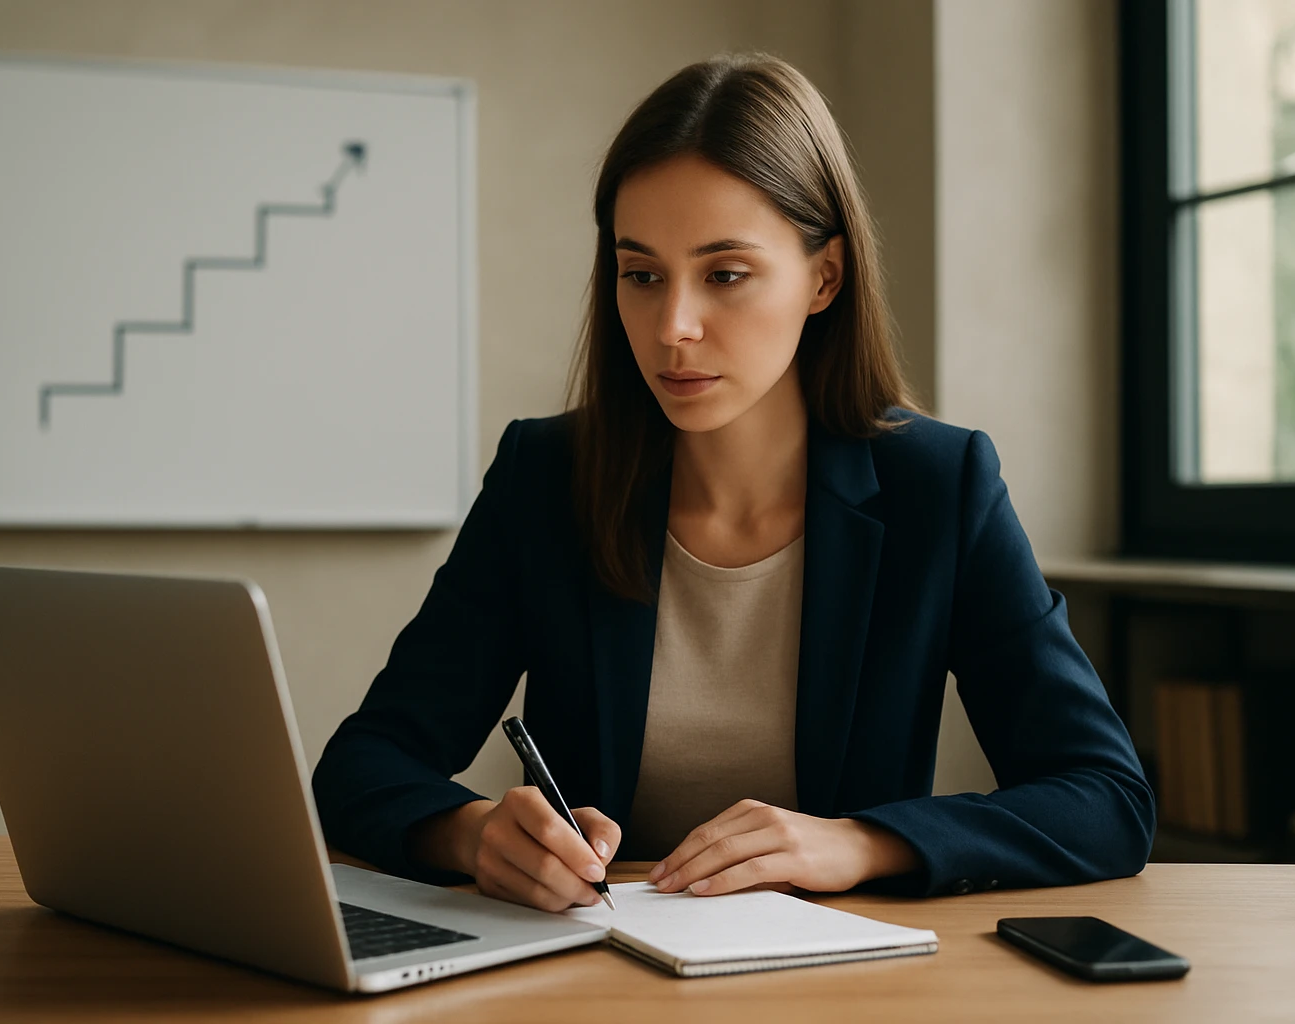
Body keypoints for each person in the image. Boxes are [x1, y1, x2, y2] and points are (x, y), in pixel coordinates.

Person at [312, 51, 1154, 913]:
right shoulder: (547, 477)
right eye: (641, 275)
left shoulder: (938, 488)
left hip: (840, 979)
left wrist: (860, 842)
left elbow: (1104, 796)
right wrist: (474, 833)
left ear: (823, 277)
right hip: (591, 971)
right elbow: (363, 764)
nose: (674, 326)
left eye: (725, 274)